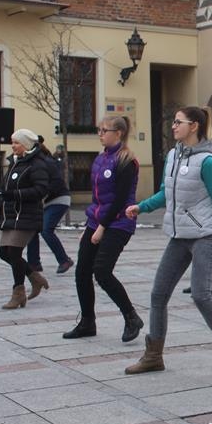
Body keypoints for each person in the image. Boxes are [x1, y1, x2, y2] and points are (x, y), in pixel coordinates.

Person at [124, 106, 212, 380]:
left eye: (179, 122)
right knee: (158, 294)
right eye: (174, 122)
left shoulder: (208, 161)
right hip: (178, 236)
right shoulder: (173, 155)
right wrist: (141, 207)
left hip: (204, 236)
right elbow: (165, 194)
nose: (174, 126)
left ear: (194, 126)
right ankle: (154, 356)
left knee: (201, 295)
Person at [62, 116, 145, 342]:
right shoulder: (101, 158)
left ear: (118, 133)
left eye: (104, 130)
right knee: (82, 272)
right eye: (98, 130)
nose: (100, 134)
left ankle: (131, 317)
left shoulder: (127, 161)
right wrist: (90, 225)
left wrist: (101, 227)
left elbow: (119, 200)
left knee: (102, 271)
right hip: (98, 221)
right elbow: (98, 198)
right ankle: (87, 322)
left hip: (119, 223)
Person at [0, 129, 50, 309]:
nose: (12, 145)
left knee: (14, 254)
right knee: (4, 254)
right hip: (11, 215)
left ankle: (18, 294)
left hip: (27, 216)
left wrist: (16, 195)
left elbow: (41, 190)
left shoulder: (37, 163)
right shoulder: (15, 162)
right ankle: (35, 277)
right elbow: (6, 193)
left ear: (26, 145)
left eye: (16, 142)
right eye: (12, 142)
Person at [26, 135, 74, 275]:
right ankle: (34, 264)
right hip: (47, 201)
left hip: (59, 199)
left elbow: (57, 182)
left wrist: (43, 193)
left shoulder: (47, 162)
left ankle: (64, 260)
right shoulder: (35, 163)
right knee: (33, 229)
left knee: (46, 230)